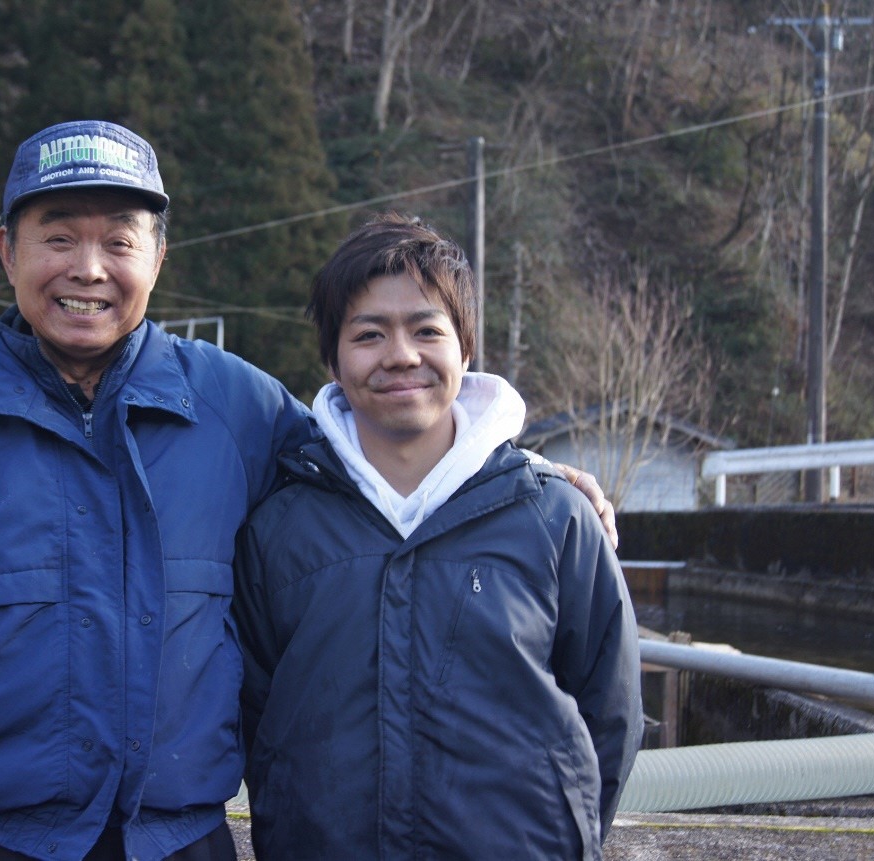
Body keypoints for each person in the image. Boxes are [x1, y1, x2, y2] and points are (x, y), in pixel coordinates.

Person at [0, 120, 618, 861]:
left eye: (118, 242)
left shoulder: (235, 404)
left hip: (176, 842)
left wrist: (524, 474)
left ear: (157, 258)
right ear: (7, 252)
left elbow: (385, 458)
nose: (87, 269)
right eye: (57, 238)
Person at [233, 214, 644, 860]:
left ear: (466, 349)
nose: (401, 355)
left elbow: (610, 715)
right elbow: (259, 722)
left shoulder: (554, 518)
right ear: (333, 359)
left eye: (427, 329)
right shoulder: (279, 532)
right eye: (369, 334)